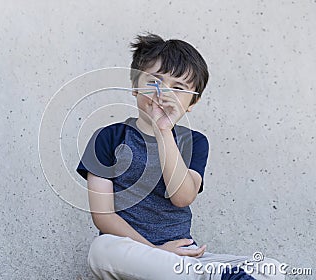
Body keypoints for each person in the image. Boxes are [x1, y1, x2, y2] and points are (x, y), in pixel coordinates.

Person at [76, 33, 285, 280]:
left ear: (191, 103)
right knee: (101, 250)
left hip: (183, 258)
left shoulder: (194, 142)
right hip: (134, 254)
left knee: (270, 268)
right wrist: (154, 251)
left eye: (178, 88)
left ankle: (201, 275)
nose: (163, 93)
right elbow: (103, 216)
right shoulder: (108, 138)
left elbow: (182, 197)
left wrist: (163, 131)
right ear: (134, 86)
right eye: (154, 82)